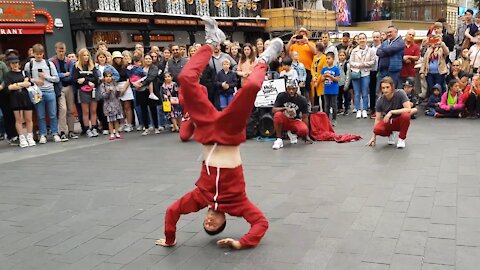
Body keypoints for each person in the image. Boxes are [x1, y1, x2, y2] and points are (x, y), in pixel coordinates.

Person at [156, 17, 282, 250]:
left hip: (206, 129)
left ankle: (212, 43)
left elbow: (172, 212)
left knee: (185, 78)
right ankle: (264, 59)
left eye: (206, 224)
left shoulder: (199, 198)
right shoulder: (238, 204)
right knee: (252, 87)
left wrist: (170, 239)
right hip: (229, 132)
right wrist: (242, 242)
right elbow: (260, 223)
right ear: (225, 220)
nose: (209, 221)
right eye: (214, 225)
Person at [24, 44, 60, 144]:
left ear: (43, 54)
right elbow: (26, 78)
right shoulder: (29, 65)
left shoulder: (49, 63)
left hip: (49, 90)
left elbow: (56, 78)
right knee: (40, 115)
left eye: (40, 54)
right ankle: (43, 134)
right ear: (33, 54)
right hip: (37, 92)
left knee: (53, 114)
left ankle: (55, 133)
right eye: (37, 54)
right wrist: (35, 81)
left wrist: (46, 77)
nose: (39, 56)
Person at [367, 76, 411, 149]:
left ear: (392, 87)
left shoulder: (400, 93)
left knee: (406, 116)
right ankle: (390, 133)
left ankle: (401, 139)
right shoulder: (380, 100)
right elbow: (377, 119)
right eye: (383, 88)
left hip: (400, 120)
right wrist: (374, 137)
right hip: (389, 122)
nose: (385, 90)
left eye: (387, 87)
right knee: (377, 129)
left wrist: (392, 112)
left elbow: (408, 109)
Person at [3, 55, 36, 148]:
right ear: (9, 64)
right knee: (18, 119)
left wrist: (16, 84)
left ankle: (30, 137)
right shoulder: (8, 75)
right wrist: (21, 84)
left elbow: (28, 84)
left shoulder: (24, 72)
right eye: (13, 63)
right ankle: (21, 137)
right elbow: (9, 87)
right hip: (14, 98)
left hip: (25, 96)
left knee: (29, 119)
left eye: (16, 62)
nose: (15, 65)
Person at [51, 42, 79, 141]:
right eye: (60, 50)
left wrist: (61, 76)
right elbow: (53, 76)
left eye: (63, 50)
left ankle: (71, 131)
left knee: (71, 110)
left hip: (69, 87)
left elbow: (71, 75)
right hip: (59, 88)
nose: (61, 53)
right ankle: (62, 132)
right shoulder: (52, 62)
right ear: (56, 50)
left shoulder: (69, 62)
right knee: (63, 110)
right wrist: (63, 75)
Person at [272, 80, 310, 150]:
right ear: (286, 89)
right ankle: (279, 139)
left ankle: (292, 133)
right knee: (277, 115)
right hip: (284, 119)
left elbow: (305, 116)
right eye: (289, 89)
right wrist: (284, 108)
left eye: (293, 89)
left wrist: (306, 135)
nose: (291, 91)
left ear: (297, 89)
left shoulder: (302, 99)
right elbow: (273, 110)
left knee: (304, 130)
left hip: (295, 120)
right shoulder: (281, 96)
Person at [73, 48, 100, 138]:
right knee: (85, 111)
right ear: (80, 56)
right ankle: (87, 128)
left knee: (93, 110)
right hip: (83, 91)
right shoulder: (76, 66)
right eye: (84, 55)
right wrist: (87, 81)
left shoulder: (93, 66)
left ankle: (94, 128)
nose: (86, 57)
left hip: (93, 90)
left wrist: (84, 79)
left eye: (87, 55)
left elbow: (96, 79)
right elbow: (75, 80)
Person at [132, 54, 161, 135]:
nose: (148, 60)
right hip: (141, 91)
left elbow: (151, 77)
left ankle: (156, 127)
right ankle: (146, 127)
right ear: (143, 60)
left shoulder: (154, 68)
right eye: (146, 58)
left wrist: (142, 83)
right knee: (143, 109)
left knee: (153, 109)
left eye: (149, 59)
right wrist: (136, 84)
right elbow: (134, 77)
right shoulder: (140, 69)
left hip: (151, 90)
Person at [349, 33, 376, 119]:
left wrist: (364, 64)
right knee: (356, 93)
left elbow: (373, 61)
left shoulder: (371, 50)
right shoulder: (354, 51)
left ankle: (364, 109)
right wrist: (357, 65)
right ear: (358, 40)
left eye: (363, 38)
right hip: (356, 73)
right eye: (360, 38)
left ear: (366, 39)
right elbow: (351, 62)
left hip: (365, 73)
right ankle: (357, 109)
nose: (362, 40)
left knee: (365, 92)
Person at [96, 50, 121, 135]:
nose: (102, 59)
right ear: (97, 58)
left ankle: (115, 130)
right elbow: (94, 77)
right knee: (102, 108)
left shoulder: (110, 67)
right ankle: (105, 127)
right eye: (100, 57)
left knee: (114, 113)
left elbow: (117, 76)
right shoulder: (95, 67)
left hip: (111, 88)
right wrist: (100, 80)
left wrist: (109, 80)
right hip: (100, 88)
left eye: (103, 57)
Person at [287, 28, 316, 101]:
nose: (301, 36)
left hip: (308, 69)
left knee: (308, 89)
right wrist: (291, 40)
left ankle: (310, 106)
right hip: (295, 69)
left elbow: (315, 52)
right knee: (296, 88)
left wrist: (307, 42)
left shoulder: (311, 43)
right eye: (300, 35)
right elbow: (287, 51)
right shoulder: (294, 46)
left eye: (303, 35)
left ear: (306, 35)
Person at [112, 51, 134, 132]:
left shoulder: (126, 67)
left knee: (127, 107)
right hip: (116, 86)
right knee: (120, 107)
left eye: (119, 58)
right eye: (116, 58)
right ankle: (122, 123)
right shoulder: (112, 68)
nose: (117, 60)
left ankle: (129, 124)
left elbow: (129, 79)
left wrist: (124, 89)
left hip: (126, 86)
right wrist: (117, 88)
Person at [99, 70, 125, 140]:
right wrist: (108, 92)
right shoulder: (102, 85)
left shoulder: (115, 84)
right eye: (107, 76)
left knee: (116, 119)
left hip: (116, 104)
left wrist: (118, 91)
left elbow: (118, 95)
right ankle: (111, 133)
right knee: (110, 120)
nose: (108, 78)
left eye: (110, 76)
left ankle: (117, 132)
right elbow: (103, 96)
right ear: (104, 77)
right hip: (108, 105)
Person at [321, 52, 340, 126]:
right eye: (326, 59)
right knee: (326, 105)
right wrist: (324, 76)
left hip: (334, 90)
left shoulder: (335, 68)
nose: (327, 60)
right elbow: (322, 79)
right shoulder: (324, 69)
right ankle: (327, 119)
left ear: (333, 59)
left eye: (329, 58)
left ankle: (334, 119)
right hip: (326, 90)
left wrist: (331, 77)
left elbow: (337, 79)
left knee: (334, 105)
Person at [369, 31, 382, 117]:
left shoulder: (383, 47)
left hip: (380, 71)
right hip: (371, 71)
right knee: (372, 91)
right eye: (374, 37)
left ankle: (379, 109)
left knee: (379, 91)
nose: (375, 39)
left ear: (380, 38)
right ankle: (372, 108)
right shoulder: (370, 49)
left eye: (377, 37)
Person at [311, 43, 327, 110]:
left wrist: (318, 80)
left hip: (321, 80)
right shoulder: (315, 57)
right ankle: (317, 113)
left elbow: (323, 70)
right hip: (314, 79)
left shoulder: (324, 58)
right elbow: (312, 67)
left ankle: (324, 112)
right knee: (316, 98)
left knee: (323, 97)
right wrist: (314, 76)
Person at [337, 49, 351, 115]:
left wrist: (346, 84)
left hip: (344, 82)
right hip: (338, 83)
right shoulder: (336, 64)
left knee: (346, 96)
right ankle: (339, 108)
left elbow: (348, 75)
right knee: (339, 96)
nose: (342, 57)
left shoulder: (347, 64)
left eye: (343, 55)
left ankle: (346, 108)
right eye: (340, 55)